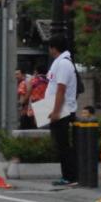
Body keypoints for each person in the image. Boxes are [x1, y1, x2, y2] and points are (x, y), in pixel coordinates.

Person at [44, 35, 78, 186]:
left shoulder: (64, 64)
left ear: (53, 47)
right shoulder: (59, 62)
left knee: (64, 145)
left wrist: (56, 111)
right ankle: (67, 175)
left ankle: (70, 176)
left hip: (63, 111)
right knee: (60, 144)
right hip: (58, 109)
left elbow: (61, 88)